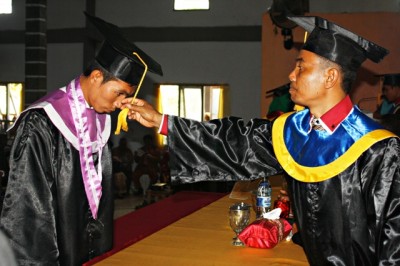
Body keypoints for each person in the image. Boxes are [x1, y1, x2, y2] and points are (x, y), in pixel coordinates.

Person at [119, 16, 400, 265]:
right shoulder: (293, 131)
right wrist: (162, 122)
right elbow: (233, 141)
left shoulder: (377, 148)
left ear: (330, 77)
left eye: (301, 67)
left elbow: (393, 240)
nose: (291, 75)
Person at [0, 13, 162, 265]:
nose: (121, 104)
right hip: (50, 252)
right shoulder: (42, 121)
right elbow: (27, 209)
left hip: (86, 247)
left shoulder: (100, 120)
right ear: (97, 77)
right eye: (119, 93)